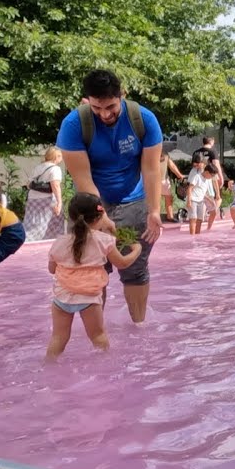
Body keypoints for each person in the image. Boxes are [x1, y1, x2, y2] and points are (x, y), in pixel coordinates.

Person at [56, 69, 164, 324]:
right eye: (97, 108)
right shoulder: (73, 124)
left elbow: (151, 169)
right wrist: (99, 216)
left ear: (122, 96)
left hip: (134, 203)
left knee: (135, 269)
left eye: (111, 107)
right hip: (89, 204)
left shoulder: (144, 119)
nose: (104, 114)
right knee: (90, 268)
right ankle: (97, 333)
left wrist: (154, 211)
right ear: (87, 101)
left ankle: (139, 327)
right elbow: (83, 180)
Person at [45, 193, 143, 362]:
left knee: (58, 338)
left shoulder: (59, 242)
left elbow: (52, 270)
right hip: (88, 298)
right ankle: (106, 368)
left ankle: (48, 366)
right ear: (99, 217)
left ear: (71, 217)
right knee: (98, 337)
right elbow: (122, 263)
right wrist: (137, 250)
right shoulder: (104, 241)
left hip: (62, 298)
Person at [23, 146, 65, 241]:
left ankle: (24, 238)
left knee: (31, 222)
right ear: (56, 157)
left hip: (32, 199)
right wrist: (59, 202)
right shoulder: (55, 169)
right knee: (53, 222)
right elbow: (55, 186)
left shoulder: (38, 167)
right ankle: (51, 242)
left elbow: (28, 184)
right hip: (47, 199)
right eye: (60, 156)